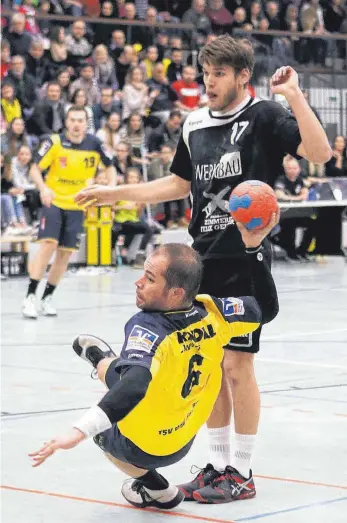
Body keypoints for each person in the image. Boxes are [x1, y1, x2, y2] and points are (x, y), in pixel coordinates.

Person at [75, 35, 331, 503]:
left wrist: (293, 95)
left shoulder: (264, 116)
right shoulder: (194, 122)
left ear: (241, 77)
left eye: (218, 74)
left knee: (238, 365)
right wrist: (115, 195)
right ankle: (217, 465)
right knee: (209, 366)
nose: (208, 82)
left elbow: (320, 154)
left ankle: (243, 471)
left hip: (245, 258)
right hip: (200, 259)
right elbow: (178, 182)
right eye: (205, 73)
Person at [29, 218, 279, 510]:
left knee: (119, 395)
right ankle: (104, 362)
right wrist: (254, 250)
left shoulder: (146, 328)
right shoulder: (215, 311)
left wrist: (78, 430)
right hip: (183, 439)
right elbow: (266, 310)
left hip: (146, 445)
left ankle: (158, 489)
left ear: (174, 293)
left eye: (149, 278)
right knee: (132, 370)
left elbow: (134, 385)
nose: (137, 282)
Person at [22, 106, 116, 320]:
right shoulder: (54, 142)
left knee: (64, 254)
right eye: (72, 119)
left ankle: (47, 297)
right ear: (66, 122)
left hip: (78, 205)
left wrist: (111, 190)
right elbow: (34, 168)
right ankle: (29, 296)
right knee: (49, 245)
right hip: (54, 201)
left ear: (86, 123)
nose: (76, 124)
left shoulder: (95, 144)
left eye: (80, 120)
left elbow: (111, 167)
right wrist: (43, 188)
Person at [274, 155, 315, 261]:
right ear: (285, 169)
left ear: (299, 169)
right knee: (289, 225)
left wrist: (305, 190)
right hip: (283, 216)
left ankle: (302, 251)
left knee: (312, 223)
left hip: (297, 214)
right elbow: (279, 195)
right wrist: (297, 198)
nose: (292, 171)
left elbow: (305, 193)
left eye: (295, 168)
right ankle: (291, 253)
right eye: (290, 168)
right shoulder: (281, 180)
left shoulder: (300, 180)